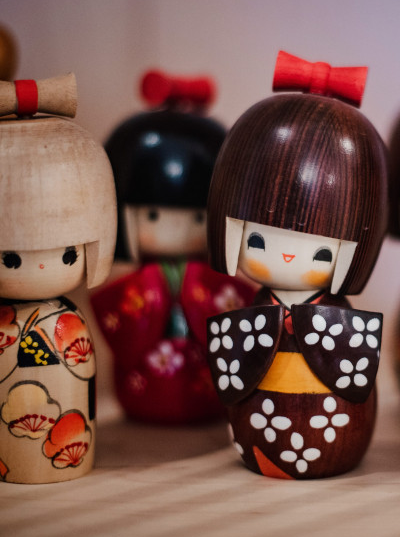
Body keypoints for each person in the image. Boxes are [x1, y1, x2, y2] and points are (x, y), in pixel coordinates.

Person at [206, 52, 388, 479]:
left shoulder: (339, 316)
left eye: (321, 252)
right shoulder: (256, 306)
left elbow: (355, 380)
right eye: (257, 241)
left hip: (334, 426)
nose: (287, 258)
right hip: (257, 420)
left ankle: (335, 451)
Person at [91, 71, 255, 425]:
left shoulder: (209, 278)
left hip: (199, 364)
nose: (176, 229)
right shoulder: (143, 278)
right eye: (152, 216)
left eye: (197, 218)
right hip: (148, 368)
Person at [0, 74, 117, 483]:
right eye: (10, 259)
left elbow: (84, 384)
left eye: (69, 254)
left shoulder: (69, 321)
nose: (41, 268)